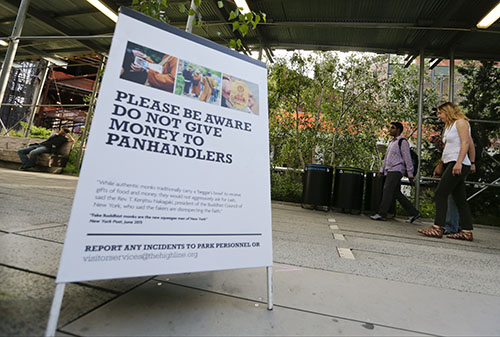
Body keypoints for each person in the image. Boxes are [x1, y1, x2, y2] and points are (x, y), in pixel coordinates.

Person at [418, 102, 475, 241]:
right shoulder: (449, 126)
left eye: (440, 113)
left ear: (448, 111)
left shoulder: (461, 123)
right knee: (460, 198)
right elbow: (450, 147)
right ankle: (467, 231)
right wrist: (441, 164)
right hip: (451, 162)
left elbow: (467, 144)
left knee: (440, 193)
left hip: (458, 163)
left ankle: (438, 227)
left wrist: (462, 162)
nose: (438, 116)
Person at [370, 122, 421, 223]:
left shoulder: (402, 142)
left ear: (398, 130)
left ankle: (382, 214)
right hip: (390, 170)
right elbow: (387, 158)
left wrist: (410, 174)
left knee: (387, 190)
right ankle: (415, 213)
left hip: (397, 170)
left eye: (392, 128)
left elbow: (407, 158)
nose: (390, 130)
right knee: (396, 193)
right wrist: (382, 170)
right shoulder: (392, 143)